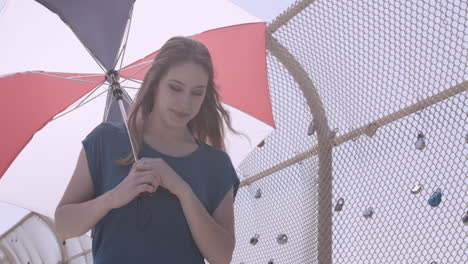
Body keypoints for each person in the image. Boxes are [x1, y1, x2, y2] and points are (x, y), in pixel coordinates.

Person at [54, 36, 241, 264]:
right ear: (155, 84)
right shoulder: (105, 140)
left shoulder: (216, 165)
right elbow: (63, 226)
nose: (185, 102)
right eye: (175, 88)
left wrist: (182, 190)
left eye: (197, 92)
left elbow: (222, 257)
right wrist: (113, 197)